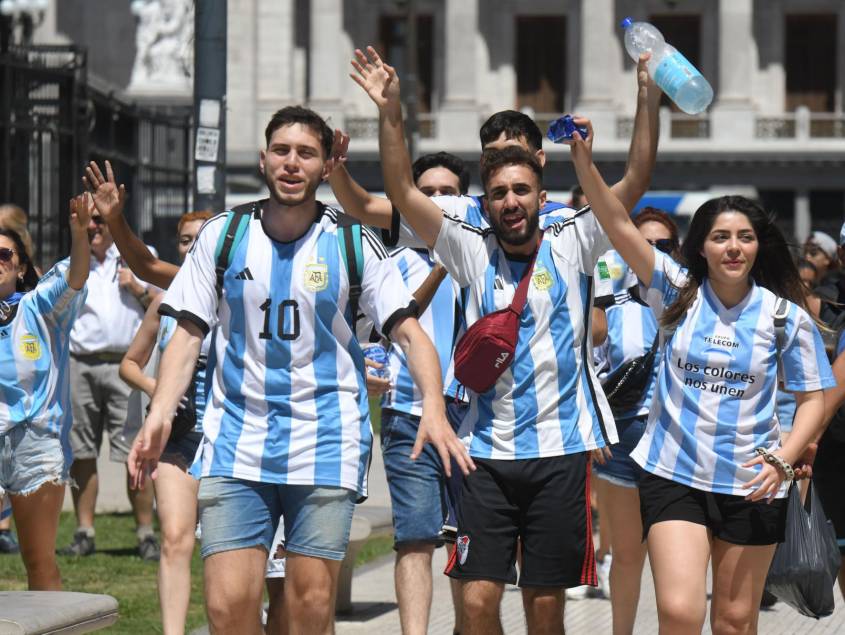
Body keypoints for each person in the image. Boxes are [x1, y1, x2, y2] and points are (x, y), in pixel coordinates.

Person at [127, 105, 473, 635]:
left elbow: (410, 333)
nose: (292, 163)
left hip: (326, 441)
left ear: (325, 165)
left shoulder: (353, 243)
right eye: (282, 152)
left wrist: (431, 403)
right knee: (226, 605)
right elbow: (188, 335)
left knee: (311, 605)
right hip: (235, 440)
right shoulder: (223, 236)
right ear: (264, 160)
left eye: (306, 153)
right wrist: (159, 414)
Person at [353, 49, 624, 633]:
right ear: (486, 181)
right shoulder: (465, 237)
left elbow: (638, 181)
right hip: (477, 446)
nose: (510, 200)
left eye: (522, 185)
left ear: (540, 182)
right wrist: (390, 113)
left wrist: (646, 97)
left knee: (545, 608)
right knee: (475, 602)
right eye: (499, 186)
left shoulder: (573, 234)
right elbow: (397, 191)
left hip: (557, 451)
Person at [571, 113, 835, 633]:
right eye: (720, 237)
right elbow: (616, 222)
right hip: (674, 475)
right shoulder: (675, 289)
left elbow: (815, 400)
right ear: (702, 247)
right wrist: (582, 157)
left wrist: (783, 459)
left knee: (734, 621)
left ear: (759, 246)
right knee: (678, 611)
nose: (733, 247)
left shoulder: (785, 317)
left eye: (744, 237)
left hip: (753, 484)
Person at [333, 147, 471, 635]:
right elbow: (380, 330)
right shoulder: (388, 261)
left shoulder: (484, 254)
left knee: (468, 539)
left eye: (448, 193)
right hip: (408, 415)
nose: (436, 201)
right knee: (414, 537)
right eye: (426, 192)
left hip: (477, 418)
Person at [118, 210, 211, 634]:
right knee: (175, 539)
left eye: (198, 240)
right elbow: (129, 364)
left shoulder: (235, 294)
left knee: (228, 549)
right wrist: (162, 389)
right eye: (184, 240)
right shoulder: (164, 301)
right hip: (178, 435)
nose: (190, 247)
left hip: (229, 436)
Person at [591, 208, 680, 633]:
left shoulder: (693, 301)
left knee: (674, 560)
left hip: (677, 442)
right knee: (627, 555)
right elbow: (585, 364)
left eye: (664, 246)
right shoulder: (609, 300)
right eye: (645, 244)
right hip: (621, 437)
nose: (654, 253)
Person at [60, 196, 161, 560]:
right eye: (88, 221)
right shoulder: (75, 260)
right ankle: (84, 530)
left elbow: (166, 302)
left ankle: (146, 533)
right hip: (80, 364)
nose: (94, 228)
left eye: (100, 221)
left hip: (125, 367)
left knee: (136, 449)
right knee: (81, 451)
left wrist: (136, 287)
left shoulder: (138, 256)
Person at [0, 193, 91, 589]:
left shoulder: (41, 307)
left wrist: (79, 232)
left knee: (38, 563)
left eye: (4, 255)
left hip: (35, 443)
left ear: (20, 267)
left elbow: (75, 277)